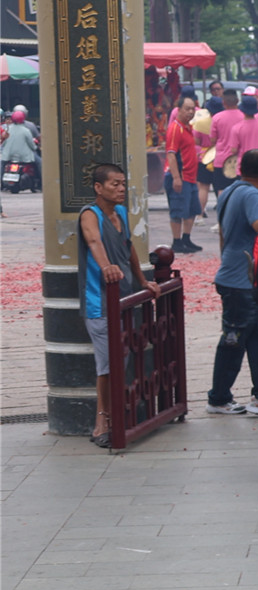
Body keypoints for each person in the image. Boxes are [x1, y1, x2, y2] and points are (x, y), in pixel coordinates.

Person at [78, 164, 161, 446]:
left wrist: (142, 281)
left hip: (123, 298)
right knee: (107, 364)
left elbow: (128, 248)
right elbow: (94, 241)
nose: (121, 189)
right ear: (98, 187)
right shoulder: (90, 214)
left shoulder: (122, 213)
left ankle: (118, 415)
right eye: (115, 184)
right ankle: (102, 422)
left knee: (121, 359)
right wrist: (106, 267)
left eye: (123, 183)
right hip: (99, 302)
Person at [206, 149, 258, 418]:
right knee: (234, 340)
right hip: (241, 281)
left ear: (241, 169)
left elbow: (224, 234)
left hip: (239, 277)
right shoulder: (251, 195)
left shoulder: (230, 191)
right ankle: (219, 397)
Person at [162, 95, 208, 253]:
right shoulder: (175, 128)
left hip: (190, 177)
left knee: (192, 210)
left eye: (192, 109)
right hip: (179, 177)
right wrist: (176, 178)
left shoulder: (188, 127)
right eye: (187, 109)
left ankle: (186, 239)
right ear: (179, 110)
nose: (190, 112)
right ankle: (176, 241)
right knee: (177, 210)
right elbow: (171, 154)